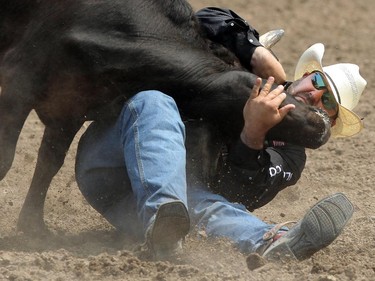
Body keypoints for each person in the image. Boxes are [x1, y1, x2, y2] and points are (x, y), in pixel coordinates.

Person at [74, 8, 367, 261]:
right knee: (153, 102)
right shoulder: (256, 73)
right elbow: (204, 19)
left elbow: (238, 192)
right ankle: (164, 217)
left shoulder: (291, 157)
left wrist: (253, 133)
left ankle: (270, 242)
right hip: (107, 166)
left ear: (328, 120)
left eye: (328, 101)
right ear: (305, 75)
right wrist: (255, 50)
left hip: (151, 205)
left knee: (203, 203)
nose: (315, 94)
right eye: (317, 81)